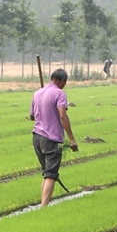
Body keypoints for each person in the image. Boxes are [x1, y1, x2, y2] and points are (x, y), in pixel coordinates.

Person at [29, 67, 79, 207]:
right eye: (65, 82)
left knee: (47, 173)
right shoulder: (59, 93)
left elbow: (32, 116)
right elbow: (63, 116)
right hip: (51, 138)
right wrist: (71, 139)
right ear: (62, 81)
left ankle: (43, 204)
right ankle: (44, 208)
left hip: (37, 137)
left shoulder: (37, 93)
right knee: (50, 174)